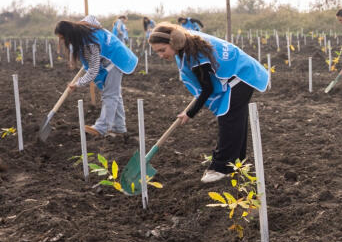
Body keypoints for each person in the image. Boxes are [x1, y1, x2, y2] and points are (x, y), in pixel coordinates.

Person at [148, 22, 270, 183]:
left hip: (242, 75)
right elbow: (207, 81)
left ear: (173, 43)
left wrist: (190, 113)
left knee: (228, 117)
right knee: (235, 118)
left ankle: (221, 168)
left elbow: (207, 88)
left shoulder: (194, 55)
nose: (161, 55)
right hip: (239, 73)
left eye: (162, 50)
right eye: (157, 52)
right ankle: (237, 162)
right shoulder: (187, 43)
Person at [54, 19, 138, 137]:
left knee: (109, 95)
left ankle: (101, 128)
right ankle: (119, 127)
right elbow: (92, 18)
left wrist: (78, 84)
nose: (62, 41)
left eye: (62, 38)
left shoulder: (89, 44)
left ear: (69, 35)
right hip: (114, 57)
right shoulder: (85, 28)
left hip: (115, 60)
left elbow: (93, 71)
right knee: (114, 95)